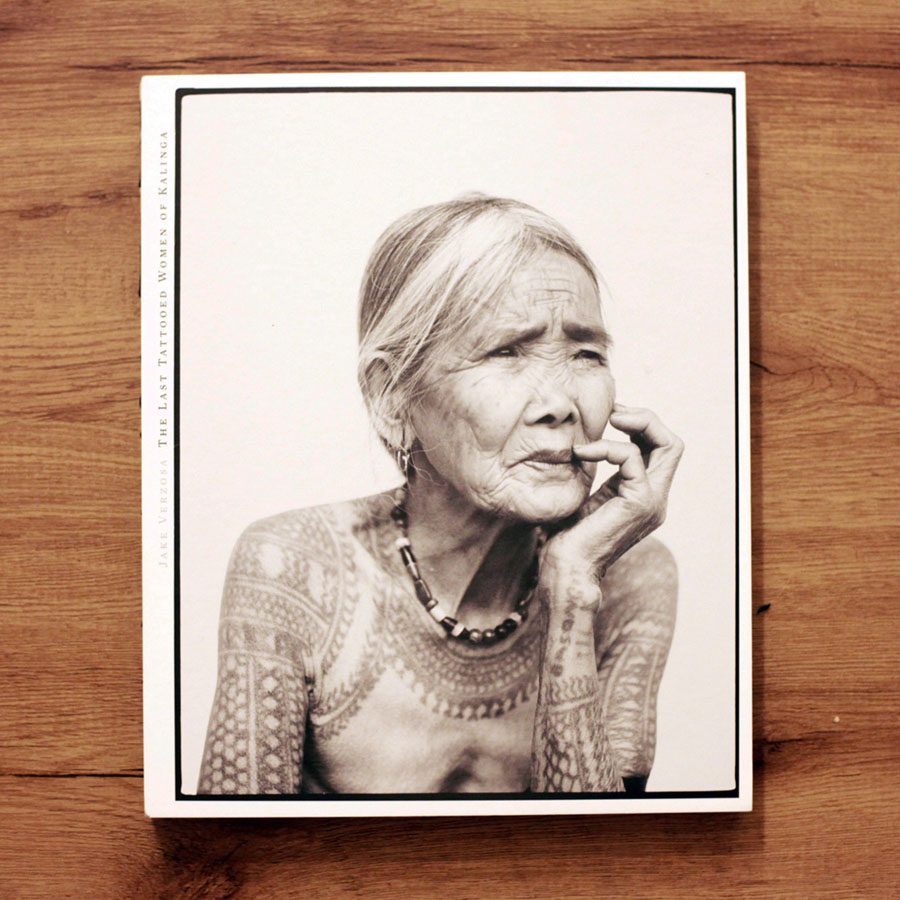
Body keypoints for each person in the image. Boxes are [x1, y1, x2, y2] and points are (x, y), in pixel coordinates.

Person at [198, 194, 683, 795]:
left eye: (587, 354)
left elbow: (605, 843)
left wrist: (574, 586)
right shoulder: (295, 567)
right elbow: (232, 840)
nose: (561, 404)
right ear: (391, 397)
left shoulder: (630, 575)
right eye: (506, 353)